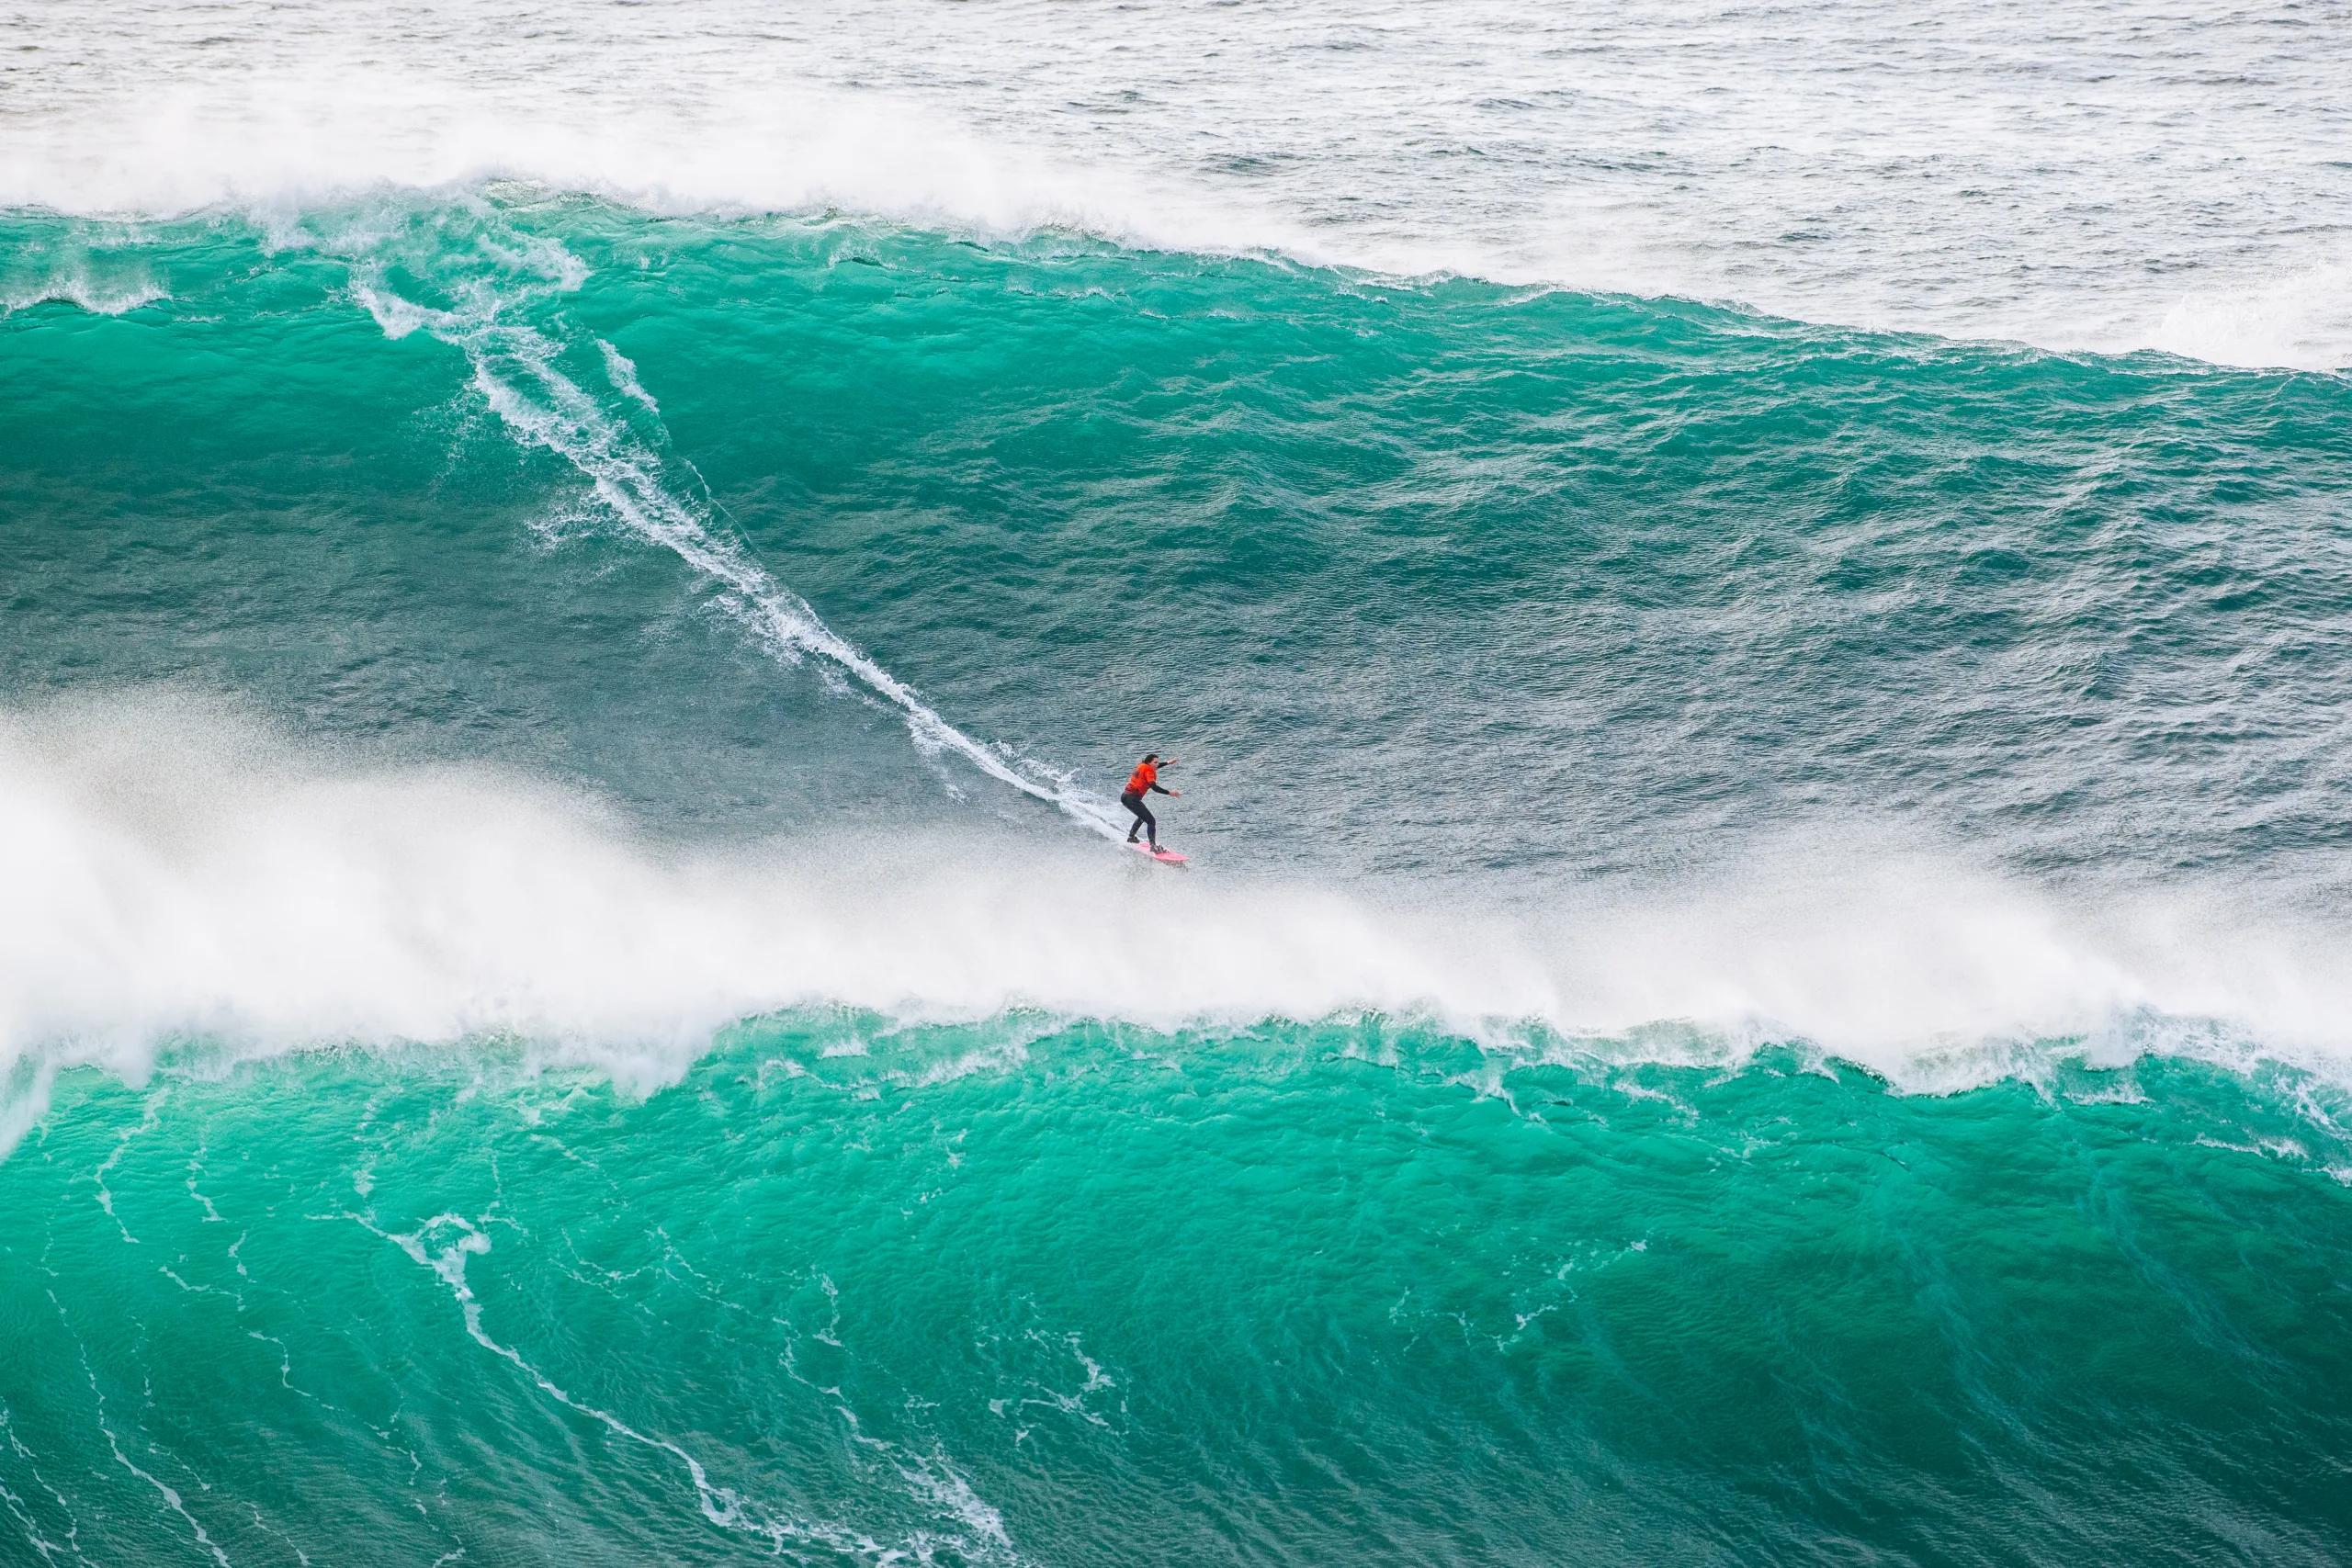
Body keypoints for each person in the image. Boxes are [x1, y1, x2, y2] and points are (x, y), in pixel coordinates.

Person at [1122, 752, 1180, 849]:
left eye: (1158, 762)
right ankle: (1153, 846)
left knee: (1142, 817)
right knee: (1151, 821)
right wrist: (1170, 793)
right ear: (1149, 762)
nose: (1157, 764)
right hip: (1132, 798)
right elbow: (1154, 787)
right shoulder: (1149, 771)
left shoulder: (1142, 765)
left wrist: (1168, 763)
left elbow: (1154, 767)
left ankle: (1131, 837)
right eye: (1155, 762)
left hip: (1125, 796)